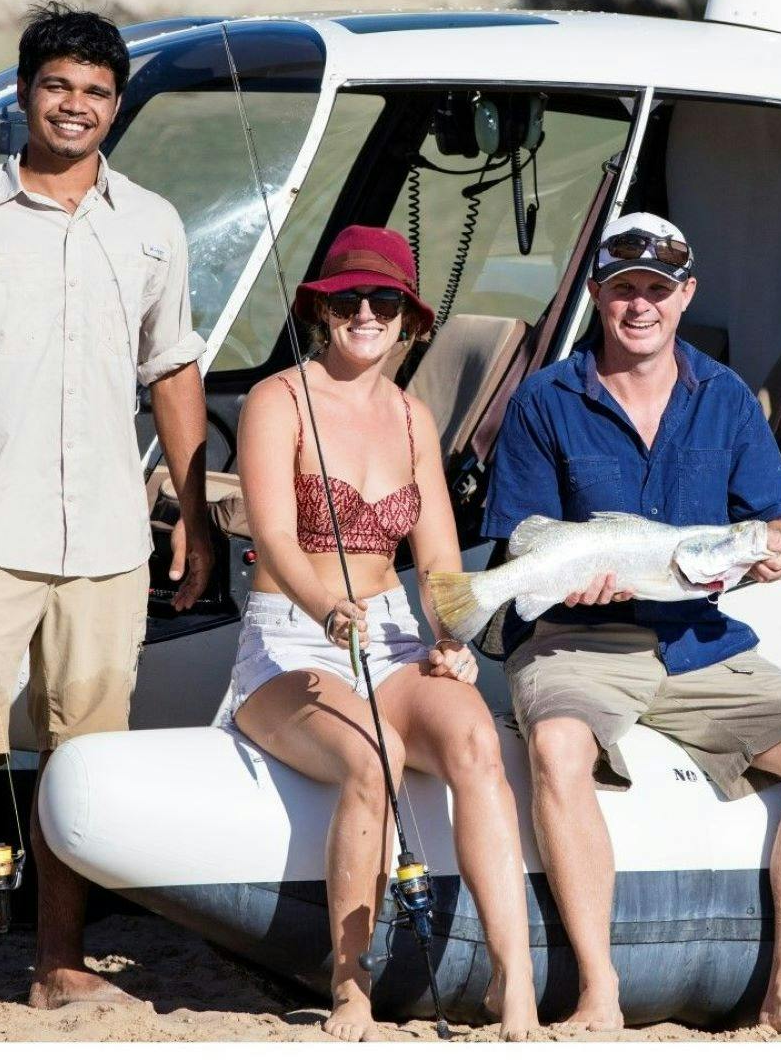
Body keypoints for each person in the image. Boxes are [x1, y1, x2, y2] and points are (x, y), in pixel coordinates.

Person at [0, 3, 213, 1017]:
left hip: (109, 537)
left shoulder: (151, 224)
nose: (76, 106)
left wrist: (191, 510)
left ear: (117, 107)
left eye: (97, 92)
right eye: (58, 86)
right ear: (24, 95)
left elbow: (174, 372)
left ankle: (57, 963)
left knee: (83, 761)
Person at [480, 212, 781, 1036]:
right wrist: (565, 586)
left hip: (699, 637)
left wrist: (777, 548)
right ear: (597, 297)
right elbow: (522, 537)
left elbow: (774, 520)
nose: (641, 306)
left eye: (658, 289)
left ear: (685, 296)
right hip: (579, 637)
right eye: (624, 290)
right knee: (556, 747)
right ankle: (599, 994)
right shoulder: (546, 398)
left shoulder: (724, 397)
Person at [217, 226, 538, 1042]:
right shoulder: (278, 400)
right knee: (375, 756)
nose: (367, 312)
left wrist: (451, 632)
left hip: (392, 633)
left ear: (410, 320)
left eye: (385, 300)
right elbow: (276, 538)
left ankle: (515, 982)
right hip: (291, 634)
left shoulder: (411, 416)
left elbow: (434, 555)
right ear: (322, 311)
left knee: (476, 742)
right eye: (349, 299)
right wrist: (326, 605)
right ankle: (350, 982)